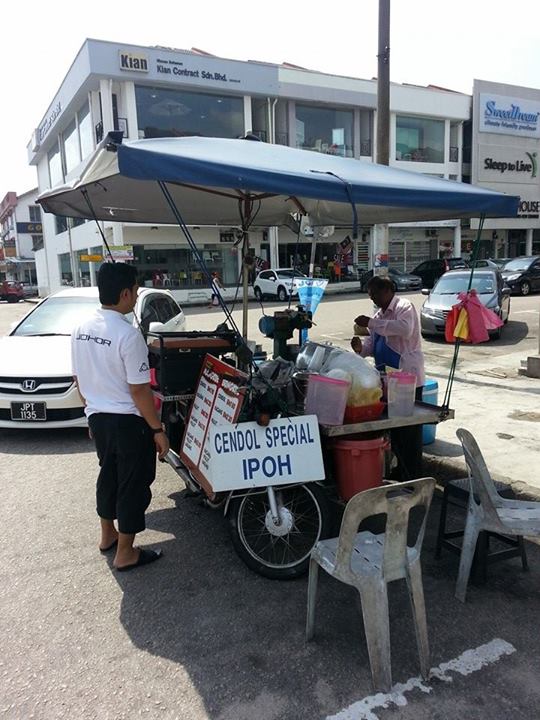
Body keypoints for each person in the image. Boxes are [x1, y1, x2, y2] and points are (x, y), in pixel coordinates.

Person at [71, 263, 169, 572]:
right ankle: (126, 552)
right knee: (133, 484)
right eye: (137, 290)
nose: (137, 294)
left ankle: (107, 535)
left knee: (109, 475)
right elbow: (140, 392)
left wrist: (91, 414)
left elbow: (79, 378)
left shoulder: (80, 328)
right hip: (128, 423)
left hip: (99, 419)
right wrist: (158, 429)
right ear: (125, 293)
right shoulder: (128, 335)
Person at [351, 274, 425, 480]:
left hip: (407, 379)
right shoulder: (379, 315)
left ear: (386, 290)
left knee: (409, 432)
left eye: (374, 294)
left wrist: (372, 323)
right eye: (369, 295)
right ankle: (400, 471)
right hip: (387, 380)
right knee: (396, 432)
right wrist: (360, 348)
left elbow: (404, 329)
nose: (372, 299)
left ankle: (414, 477)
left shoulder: (404, 307)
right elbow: (373, 346)